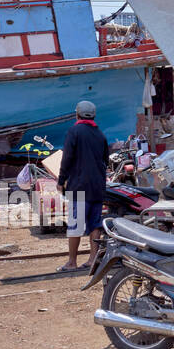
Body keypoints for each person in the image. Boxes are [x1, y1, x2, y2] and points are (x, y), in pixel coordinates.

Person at [56, 100, 110, 272]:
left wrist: (60, 180)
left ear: (77, 115)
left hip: (79, 187)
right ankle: (93, 259)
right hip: (98, 187)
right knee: (95, 224)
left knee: (75, 225)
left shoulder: (74, 131)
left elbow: (67, 159)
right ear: (93, 115)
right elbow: (105, 160)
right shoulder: (100, 134)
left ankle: (72, 262)